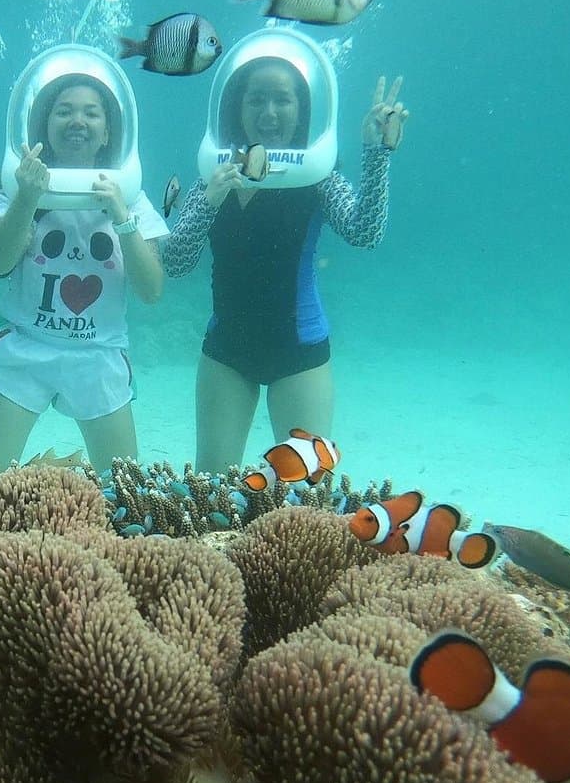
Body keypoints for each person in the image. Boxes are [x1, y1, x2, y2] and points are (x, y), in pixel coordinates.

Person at [162, 61, 409, 474]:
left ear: (302, 108)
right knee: (210, 488)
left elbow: (364, 233)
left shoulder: (318, 176)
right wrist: (210, 199)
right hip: (227, 352)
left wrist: (376, 153)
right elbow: (174, 263)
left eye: (283, 99)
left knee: (308, 495)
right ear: (236, 107)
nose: (269, 112)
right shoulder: (214, 176)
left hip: (301, 354)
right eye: (256, 99)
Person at [0, 75, 167, 472]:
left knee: (125, 493)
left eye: (91, 113)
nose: (77, 120)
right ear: (45, 125)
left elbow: (151, 290)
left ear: (108, 131)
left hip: (98, 354)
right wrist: (27, 196)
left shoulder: (132, 199)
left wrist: (122, 217)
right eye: (64, 111)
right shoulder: (15, 190)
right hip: (23, 346)